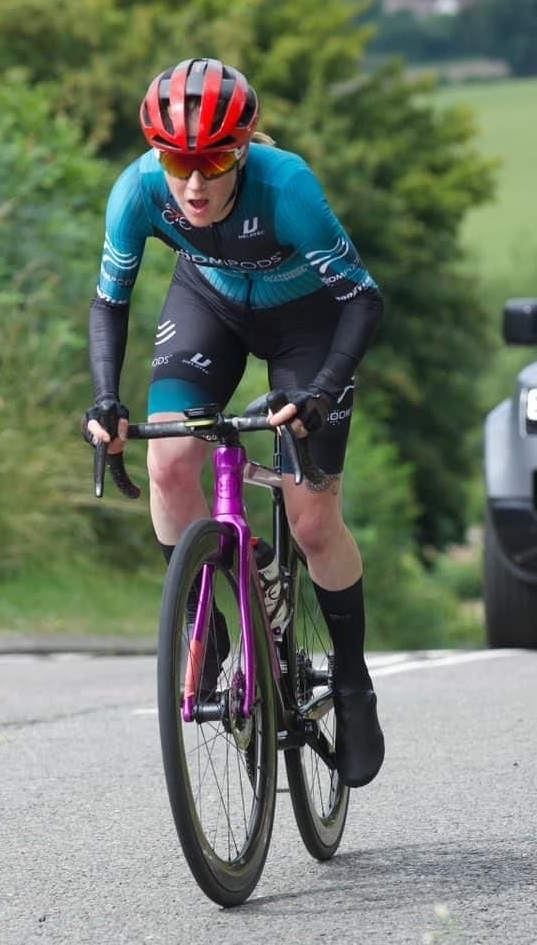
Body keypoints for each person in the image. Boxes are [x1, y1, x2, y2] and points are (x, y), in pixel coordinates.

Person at [82, 57, 384, 788]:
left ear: (242, 149)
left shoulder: (288, 187)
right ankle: (209, 637)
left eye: (214, 160)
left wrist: (319, 392)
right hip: (209, 306)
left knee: (311, 521)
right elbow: (109, 303)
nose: (193, 182)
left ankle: (351, 681)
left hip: (306, 324)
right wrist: (104, 400)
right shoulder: (138, 191)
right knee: (169, 465)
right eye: (178, 159)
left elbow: (363, 301)